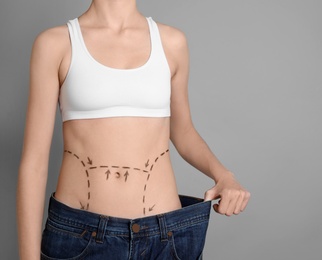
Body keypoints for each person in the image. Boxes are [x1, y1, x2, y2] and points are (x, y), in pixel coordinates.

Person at [17, 0, 250, 259]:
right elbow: (35, 162)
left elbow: (183, 132)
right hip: (81, 237)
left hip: (166, 238)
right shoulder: (56, 43)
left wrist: (224, 175)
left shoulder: (172, 43)